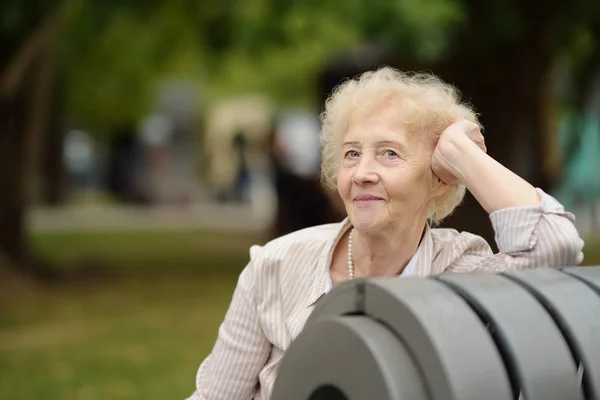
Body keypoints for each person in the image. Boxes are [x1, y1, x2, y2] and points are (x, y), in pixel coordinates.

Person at [186, 67, 584, 400]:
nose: (362, 173)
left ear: (439, 180)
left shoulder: (462, 273)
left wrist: (465, 156)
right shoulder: (275, 266)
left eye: (389, 153)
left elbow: (554, 243)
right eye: (352, 154)